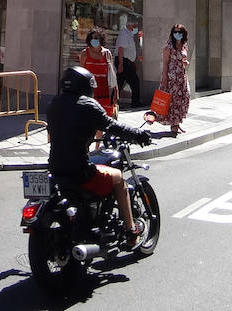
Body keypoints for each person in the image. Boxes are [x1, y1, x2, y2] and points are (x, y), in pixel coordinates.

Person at [46, 65, 152, 247]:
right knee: (118, 178)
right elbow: (112, 125)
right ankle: (131, 231)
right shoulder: (88, 105)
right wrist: (137, 134)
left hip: (55, 168)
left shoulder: (55, 104)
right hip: (79, 171)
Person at [158, 23, 191, 136]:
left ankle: (177, 122)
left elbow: (184, 59)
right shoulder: (168, 47)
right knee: (173, 101)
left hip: (182, 77)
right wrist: (164, 79)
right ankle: (174, 124)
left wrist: (185, 62)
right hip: (172, 77)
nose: (177, 34)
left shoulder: (184, 45)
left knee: (184, 98)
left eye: (180, 32)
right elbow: (165, 63)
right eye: (175, 32)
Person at [80, 28, 117, 118]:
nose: (94, 40)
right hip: (90, 91)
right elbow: (80, 74)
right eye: (92, 38)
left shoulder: (107, 54)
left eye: (97, 38)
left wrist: (116, 92)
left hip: (104, 91)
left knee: (103, 119)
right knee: (90, 118)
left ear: (101, 39)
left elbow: (112, 74)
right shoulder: (85, 53)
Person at [115, 17, 141, 107]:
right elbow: (121, 49)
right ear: (130, 25)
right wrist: (121, 64)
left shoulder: (129, 34)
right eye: (135, 26)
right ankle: (135, 103)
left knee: (120, 82)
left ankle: (114, 102)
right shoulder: (124, 34)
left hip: (127, 61)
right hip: (124, 61)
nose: (136, 28)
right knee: (134, 82)